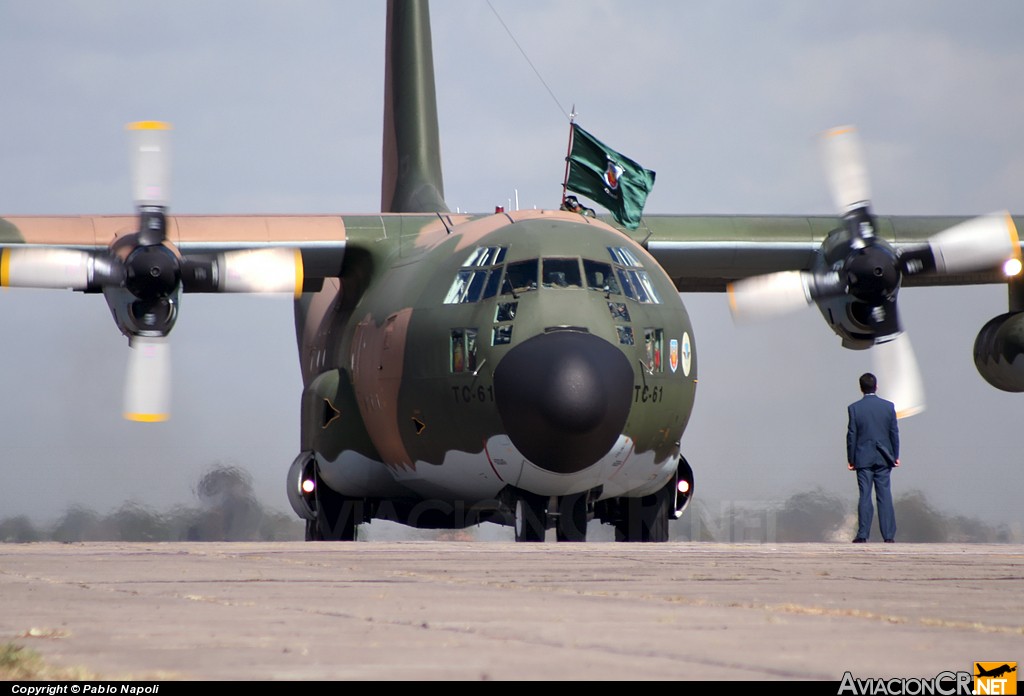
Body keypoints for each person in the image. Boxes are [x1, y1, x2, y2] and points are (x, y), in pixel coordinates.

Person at [846, 373, 899, 543]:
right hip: (884, 457)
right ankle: (888, 535)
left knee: (865, 495)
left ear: (861, 388)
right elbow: (894, 433)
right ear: (876, 386)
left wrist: (851, 458)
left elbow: (851, 435)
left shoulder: (854, 408)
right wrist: (895, 456)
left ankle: (862, 534)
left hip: (862, 457)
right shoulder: (888, 407)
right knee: (885, 495)